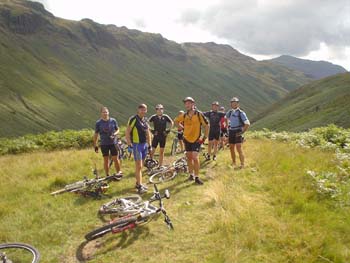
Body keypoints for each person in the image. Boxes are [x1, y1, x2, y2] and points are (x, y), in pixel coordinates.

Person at [174, 97, 209, 185]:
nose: (187, 105)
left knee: (195, 158)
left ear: (193, 104)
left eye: (189, 103)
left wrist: (205, 137)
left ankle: (197, 177)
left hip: (196, 139)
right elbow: (176, 121)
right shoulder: (184, 115)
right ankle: (191, 174)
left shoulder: (198, 114)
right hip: (186, 139)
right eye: (186, 103)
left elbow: (207, 125)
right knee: (189, 158)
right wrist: (182, 128)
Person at [125, 104, 152, 194]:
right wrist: (129, 144)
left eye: (144, 110)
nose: (143, 111)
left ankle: (138, 183)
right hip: (136, 145)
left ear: (146, 110)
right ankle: (139, 186)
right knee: (139, 166)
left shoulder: (145, 120)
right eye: (141, 110)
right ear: (138, 110)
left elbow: (148, 133)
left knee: (141, 164)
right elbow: (127, 132)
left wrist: (150, 145)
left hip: (144, 145)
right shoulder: (133, 119)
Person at [93, 107, 122, 179]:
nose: (105, 113)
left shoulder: (113, 120)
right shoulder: (98, 123)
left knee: (115, 158)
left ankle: (119, 173)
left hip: (113, 143)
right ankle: (107, 175)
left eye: (106, 112)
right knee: (106, 160)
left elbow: (118, 129)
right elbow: (96, 134)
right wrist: (95, 145)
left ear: (108, 112)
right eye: (103, 112)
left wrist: (115, 134)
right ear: (101, 113)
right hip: (104, 144)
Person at [225, 97, 250, 169]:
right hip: (231, 131)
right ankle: (234, 163)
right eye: (232, 103)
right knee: (231, 147)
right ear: (231, 104)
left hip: (238, 130)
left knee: (238, 147)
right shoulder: (229, 112)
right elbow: (226, 118)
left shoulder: (241, 113)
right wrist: (227, 127)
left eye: (235, 103)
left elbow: (247, 123)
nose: (234, 104)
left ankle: (242, 164)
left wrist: (242, 132)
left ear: (238, 104)